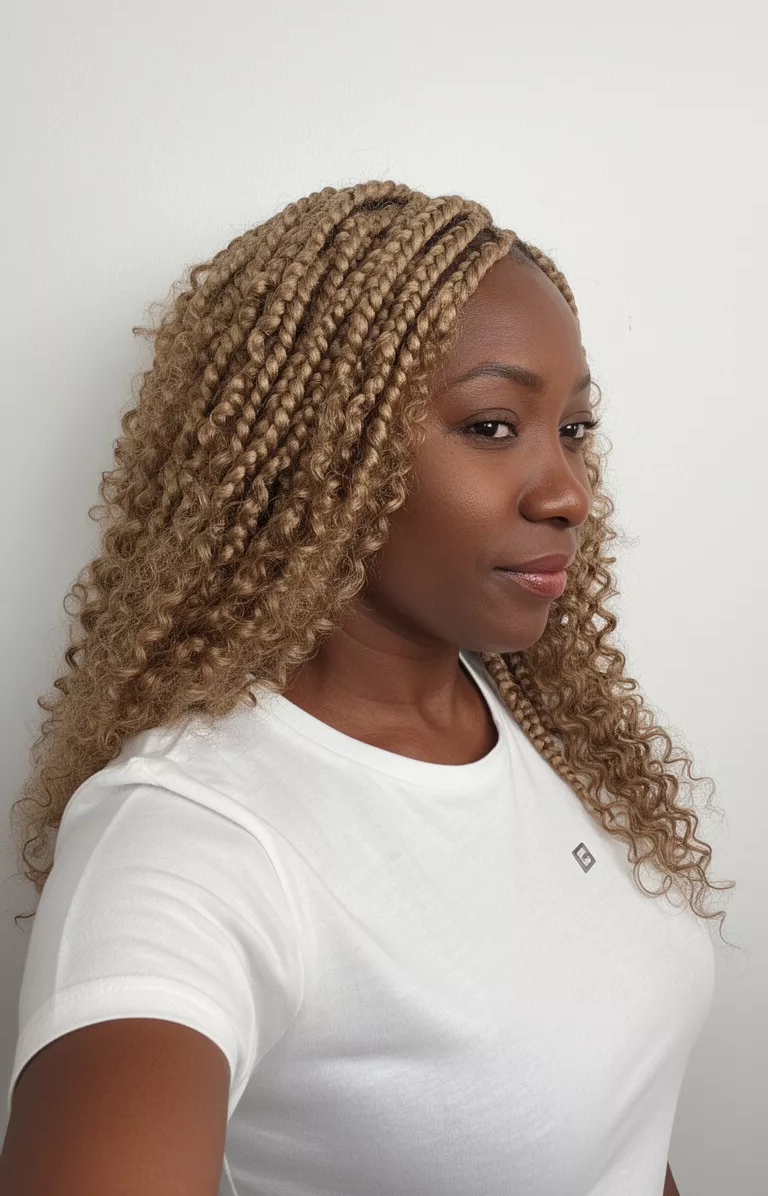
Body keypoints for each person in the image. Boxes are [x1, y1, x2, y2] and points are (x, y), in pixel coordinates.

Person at [1, 181, 733, 1196]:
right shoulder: (190, 838)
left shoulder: (526, 712)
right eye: (490, 426)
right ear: (320, 455)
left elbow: (610, 1122)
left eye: (573, 428)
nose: (567, 491)